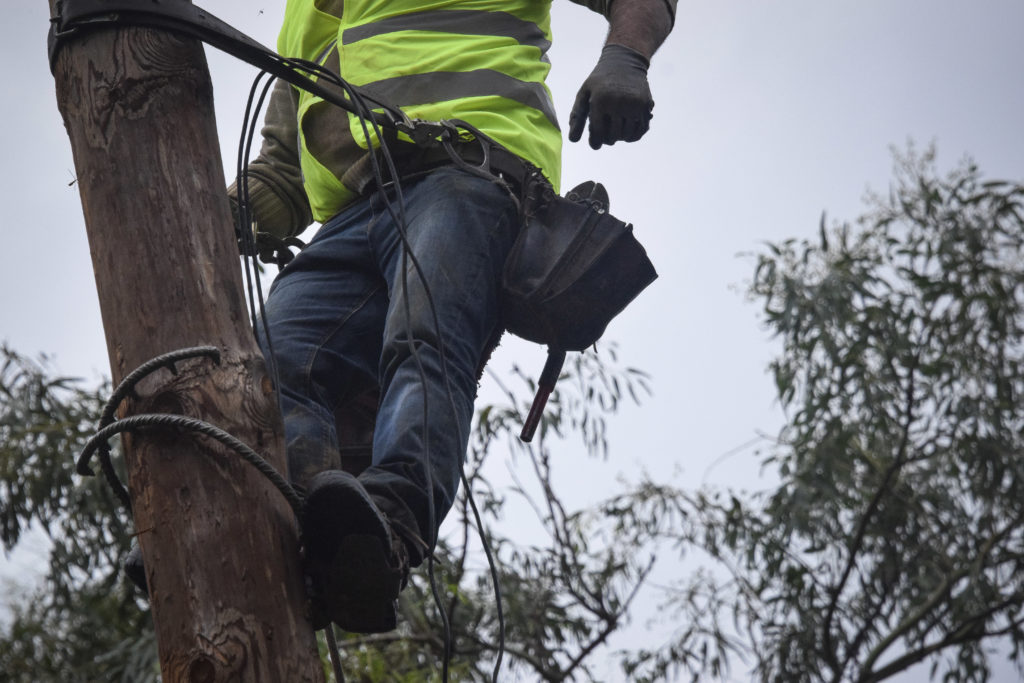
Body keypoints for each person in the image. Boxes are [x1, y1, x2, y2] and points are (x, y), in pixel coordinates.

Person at [234, 0, 675, 634]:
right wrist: (208, 218)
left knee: (425, 342)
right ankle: (311, 530)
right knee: (269, 368)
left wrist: (625, 58)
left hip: (468, 170)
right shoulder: (308, 11)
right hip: (355, 214)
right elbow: (280, 178)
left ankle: (387, 529)